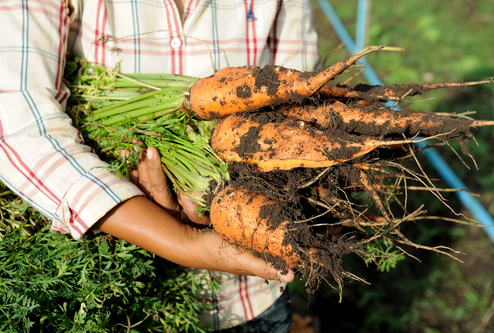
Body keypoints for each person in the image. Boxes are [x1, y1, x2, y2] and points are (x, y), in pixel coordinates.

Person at [0, 0, 320, 331]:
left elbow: (298, 105)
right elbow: (21, 123)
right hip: (124, 302)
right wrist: (184, 242)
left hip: (252, 297)